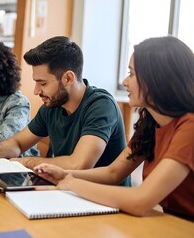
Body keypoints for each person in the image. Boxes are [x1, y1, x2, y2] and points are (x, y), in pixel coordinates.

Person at [34, 36, 194, 220]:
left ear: (158, 79)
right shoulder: (151, 122)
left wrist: (71, 183)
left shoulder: (189, 127)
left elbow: (140, 200)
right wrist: (64, 174)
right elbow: (113, 172)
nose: (125, 81)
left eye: (132, 74)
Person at [0, 36, 130, 185]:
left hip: (108, 205)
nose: (36, 91)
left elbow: (78, 164)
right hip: (71, 194)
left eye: (43, 83)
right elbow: (18, 143)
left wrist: (27, 162)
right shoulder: (52, 106)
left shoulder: (101, 105)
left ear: (68, 78)